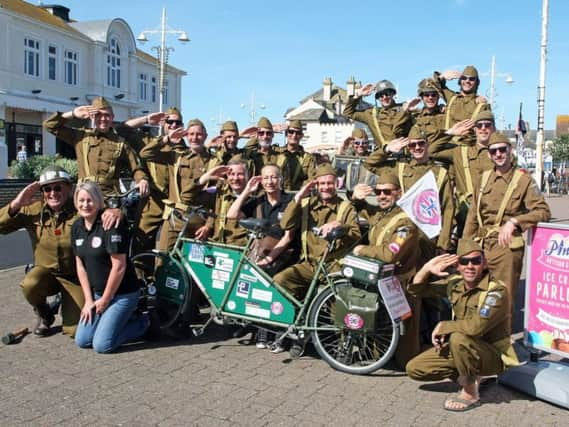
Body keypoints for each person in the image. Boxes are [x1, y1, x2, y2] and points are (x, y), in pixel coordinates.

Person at [0, 165, 120, 337]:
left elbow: (103, 209)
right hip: (46, 274)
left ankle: (66, 304)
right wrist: (16, 204)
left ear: (69, 188)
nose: (53, 193)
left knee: (77, 331)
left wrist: (115, 212)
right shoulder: (32, 210)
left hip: (75, 278)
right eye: (47, 189)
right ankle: (44, 314)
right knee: (30, 284)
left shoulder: (80, 207)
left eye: (58, 187)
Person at [406, 239, 519, 412]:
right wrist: (427, 268)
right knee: (415, 369)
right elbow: (417, 290)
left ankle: (470, 392)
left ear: (485, 263)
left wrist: (445, 326)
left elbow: (476, 327)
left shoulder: (496, 291)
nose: (470, 266)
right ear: (457, 266)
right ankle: (472, 374)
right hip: (462, 348)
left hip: (493, 354)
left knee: (458, 337)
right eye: (464, 262)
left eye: (475, 261)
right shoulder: (455, 283)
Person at [274, 164, 361, 355]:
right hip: (310, 264)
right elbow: (285, 223)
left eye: (329, 183)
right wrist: (298, 196)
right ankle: (292, 330)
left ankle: (340, 344)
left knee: (338, 300)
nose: (325, 187)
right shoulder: (306, 205)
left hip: (333, 264)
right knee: (281, 281)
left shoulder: (345, 207)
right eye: (321, 183)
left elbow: (356, 233)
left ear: (336, 184)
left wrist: (341, 225)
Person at [463, 132, 551, 306]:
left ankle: (504, 333)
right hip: (480, 245)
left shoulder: (524, 180)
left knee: (503, 299)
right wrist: (465, 248)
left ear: (510, 151)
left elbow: (543, 211)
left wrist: (514, 222)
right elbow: (473, 214)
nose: (498, 154)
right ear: (489, 154)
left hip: (506, 248)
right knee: (476, 297)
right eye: (493, 151)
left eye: (502, 150)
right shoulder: (483, 178)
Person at [351, 173, 421, 368]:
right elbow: (356, 207)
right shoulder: (379, 213)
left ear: (399, 193)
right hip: (381, 281)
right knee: (379, 332)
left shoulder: (406, 222)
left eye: (387, 192)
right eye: (378, 191)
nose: (382, 196)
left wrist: (362, 249)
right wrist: (355, 196)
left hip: (403, 286)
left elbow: (391, 254)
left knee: (406, 353)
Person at [227, 164, 297, 350]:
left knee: (275, 285)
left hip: (285, 253)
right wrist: (246, 191)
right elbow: (232, 215)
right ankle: (262, 328)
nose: (270, 181)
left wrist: (269, 259)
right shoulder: (258, 202)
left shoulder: (290, 201)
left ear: (280, 179)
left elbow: (288, 236)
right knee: (254, 286)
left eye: (274, 177)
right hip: (261, 253)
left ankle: (280, 332)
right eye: (266, 178)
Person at [72, 182, 148, 353]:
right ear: (76, 202)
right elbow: (80, 266)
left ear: (99, 201)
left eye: (90, 200)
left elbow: (119, 267)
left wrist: (106, 300)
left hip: (123, 294)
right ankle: (118, 321)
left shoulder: (110, 224)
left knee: (102, 345)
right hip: (98, 295)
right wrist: (88, 300)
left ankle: (142, 323)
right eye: (81, 200)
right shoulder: (77, 227)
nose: (85, 205)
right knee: (82, 340)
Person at [364, 126, 455, 256]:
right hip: (400, 230)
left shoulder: (440, 173)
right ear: (408, 147)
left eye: (421, 143)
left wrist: (443, 243)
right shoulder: (400, 168)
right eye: (412, 145)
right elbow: (369, 164)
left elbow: (448, 209)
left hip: (426, 235)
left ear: (427, 144)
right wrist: (387, 149)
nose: (417, 148)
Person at [43, 96, 149, 201]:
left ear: (112, 117)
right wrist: (73, 113)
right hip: (84, 196)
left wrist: (142, 180)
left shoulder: (121, 143)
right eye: (98, 115)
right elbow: (49, 125)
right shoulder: (81, 136)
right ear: (92, 117)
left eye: (107, 115)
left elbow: (136, 168)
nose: (103, 119)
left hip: (109, 197)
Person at [139, 118, 218, 250]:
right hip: (175, 218)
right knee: (163, 259)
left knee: (195, 264)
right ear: (186, 136)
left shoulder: (214, 161)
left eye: (199, 134)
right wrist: (167, 139)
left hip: (199, 220)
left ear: (205, 136)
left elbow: (217, 198)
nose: (195, 138)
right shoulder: (176, 156)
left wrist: (209, 226)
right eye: (191, 134)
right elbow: (145, 154)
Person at [124, 107, 187, 255]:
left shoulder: (185, 149)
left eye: (177, 123)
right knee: (141, 242)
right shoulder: (149, 142)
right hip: (152, 201)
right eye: (169, 121)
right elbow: (122, 129)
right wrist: (146, 120)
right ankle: (141, 275)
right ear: (162, 123)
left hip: (175, 203)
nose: (173, 125)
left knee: (174, 246)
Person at [429, 110, 497, 237]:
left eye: (487, 125)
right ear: (474, 129)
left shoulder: (500, 154)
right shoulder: (460, 152)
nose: (483, 129)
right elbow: (431, 151)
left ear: (493, 128)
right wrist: (450, 133)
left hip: (493, 214)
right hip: (466, 214)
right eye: (479, 125)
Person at [344, 79, 413, 149]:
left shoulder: (405, 108)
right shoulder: (372, 114)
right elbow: (348, 113)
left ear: (393, 94)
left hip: (404, 156)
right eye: (380, 95)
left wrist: (408, 110)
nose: (384, 97)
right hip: (382, 155)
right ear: (377, 98)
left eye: (387, 93)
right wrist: (358, 95)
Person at [431, 65, 491, 145]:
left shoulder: (481, 104)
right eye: (464, 78)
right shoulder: (452, 97)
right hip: (446, 145)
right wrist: (442, 76)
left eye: (471, 79)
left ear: (477, 82)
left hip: (466, 148)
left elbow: (488, 130)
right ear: (460, 80)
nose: (467, 81)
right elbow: (434, 85)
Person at [279, 120, 316, 191]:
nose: (294, 135)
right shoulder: (277, 153)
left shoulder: (308, 158)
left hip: (298, 195)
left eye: (298, 133)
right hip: (279, 196)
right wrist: (273, 129)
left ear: (302, 136)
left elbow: (311, 180)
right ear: (286, 134)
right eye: (291, 132)